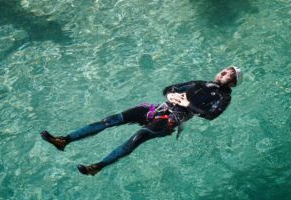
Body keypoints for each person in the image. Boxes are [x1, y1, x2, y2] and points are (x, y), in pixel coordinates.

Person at [41, 66, 243, 176]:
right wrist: (172, 94)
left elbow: (210, 115)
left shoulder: (224, 98)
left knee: (137, 138)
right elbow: (170, 88)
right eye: (224, 70)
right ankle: (64, 140)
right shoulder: (200, 83)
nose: (224, 73)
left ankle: (98, 166)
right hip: (155, 109)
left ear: (233, 83)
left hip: (171, 120)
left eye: (229, 75)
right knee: (110, 120)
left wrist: (187, 103)